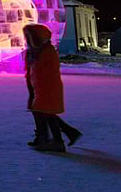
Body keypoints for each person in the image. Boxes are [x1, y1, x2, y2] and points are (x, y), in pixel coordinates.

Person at [24, 23, 81, 152]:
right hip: (38, 87)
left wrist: (32, 60)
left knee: (44, 112)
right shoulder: (35, 51)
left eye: (30, 37)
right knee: (42, 111)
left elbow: (42, 70)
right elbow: (31, 70)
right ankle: (55, 136)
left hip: (48, 88)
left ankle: (56, 141)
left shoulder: (47, 51)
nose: (27, 40)